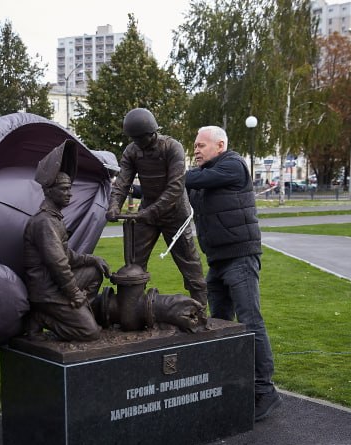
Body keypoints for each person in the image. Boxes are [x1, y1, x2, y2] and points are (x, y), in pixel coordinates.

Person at [184, 125, 281, 422]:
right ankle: (230, 384)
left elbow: (185, 179)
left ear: (220, 145)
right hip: (218, 260)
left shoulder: (233, 165)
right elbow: (177, 187)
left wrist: (170, 172)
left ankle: (265, 391)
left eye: (201, 145)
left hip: (240, 257)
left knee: (251, 321)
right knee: (220, 324)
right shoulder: (203, 177)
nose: (196, 150)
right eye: (195, 145)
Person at [105, 108, 207, 307]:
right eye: (134, 139)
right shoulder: (131, 151)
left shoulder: (172, 147)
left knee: (189, 262)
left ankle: (200, 309)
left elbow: (175, 187)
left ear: (152, 133)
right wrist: (114, 205)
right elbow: (123, 182)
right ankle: (132, 310)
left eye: (140, 139)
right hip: (148, 212)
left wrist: (149, 212)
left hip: (175, 213)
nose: (138, 143)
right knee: (134, 262)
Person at [24, 140, 110, 341]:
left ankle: (75, 313)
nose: (69, 193)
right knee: (90, 332)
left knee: (94, 271)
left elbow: (66, 255)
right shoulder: (45, 222)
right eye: (64, 189)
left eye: (70, 188)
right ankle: (43, 318)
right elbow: (58, 264)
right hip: (46, 290)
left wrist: (91, 259)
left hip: (54, 283)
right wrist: (74, 294)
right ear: (49, 191)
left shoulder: (54, 219)